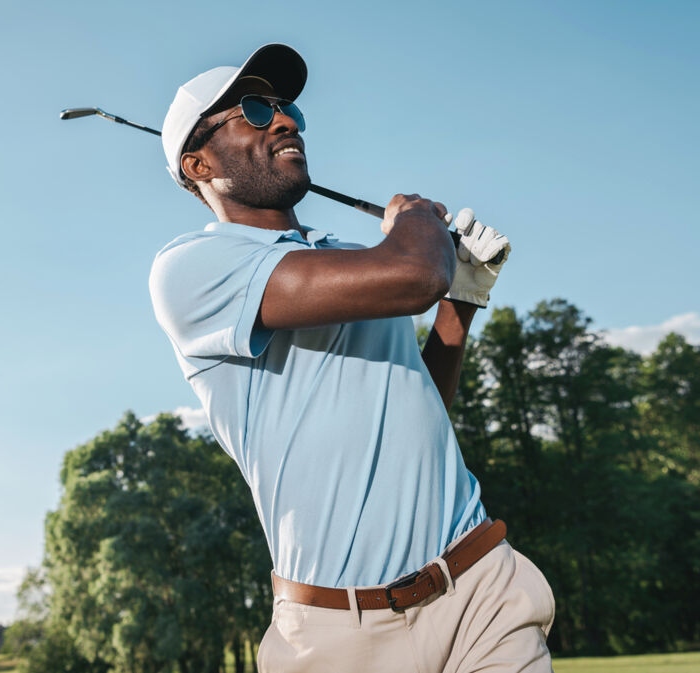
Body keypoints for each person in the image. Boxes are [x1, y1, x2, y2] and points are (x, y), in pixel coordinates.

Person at [148, 43, 555, 673]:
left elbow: (417, 404)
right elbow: (416, 274)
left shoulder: (353, 259)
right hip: (337, 632)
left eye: (288, 111)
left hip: (480, 591)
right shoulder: (192, 269)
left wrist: (461, 302)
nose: (284, 121)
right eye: (254, 111)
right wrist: (415, 218)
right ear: (197, 163)